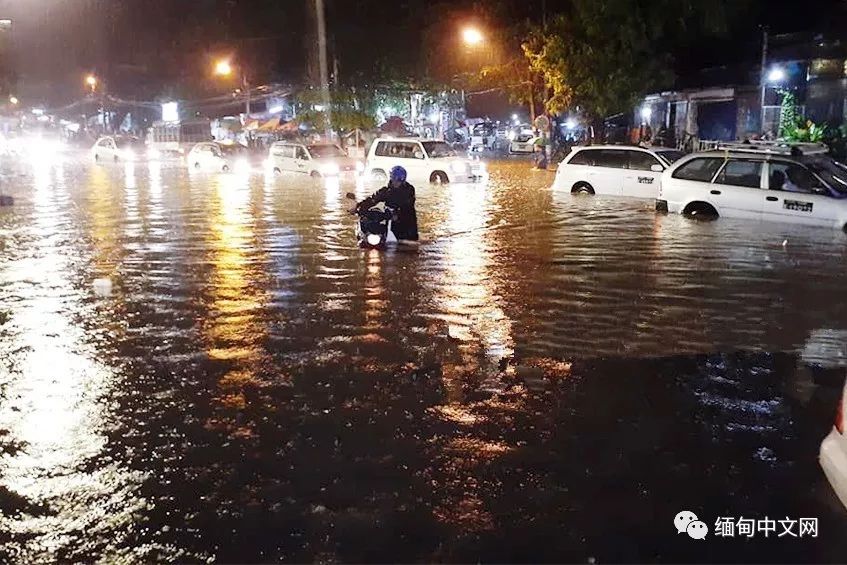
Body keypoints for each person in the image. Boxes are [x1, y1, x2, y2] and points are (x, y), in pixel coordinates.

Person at [356, 165, 419, 242]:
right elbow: (373, 199)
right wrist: (358, 207)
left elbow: (407, 205)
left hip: (407, 224)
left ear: (403, 181)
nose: (396, 183)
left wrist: (396, 214)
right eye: (394, 180)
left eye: (399, 181)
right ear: (391, 178)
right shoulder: (386, 191)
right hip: (390, 223)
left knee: (410, 245)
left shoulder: (409, 190)